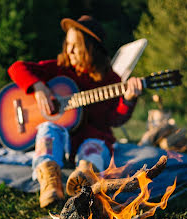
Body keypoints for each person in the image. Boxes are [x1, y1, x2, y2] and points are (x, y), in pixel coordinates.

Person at [8, 15, 143, 207]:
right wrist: (38, 88)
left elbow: (116, 119)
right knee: (48, 128)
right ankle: (49, 179)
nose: (69, 49)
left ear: (91, 48)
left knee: (96, 145)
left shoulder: (110, 79)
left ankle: (84, 179)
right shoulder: (60, 69)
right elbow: (16, 68)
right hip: (62, 141)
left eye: (76, 45)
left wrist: (129, 100)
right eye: (68, 43)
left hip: (91, 139)